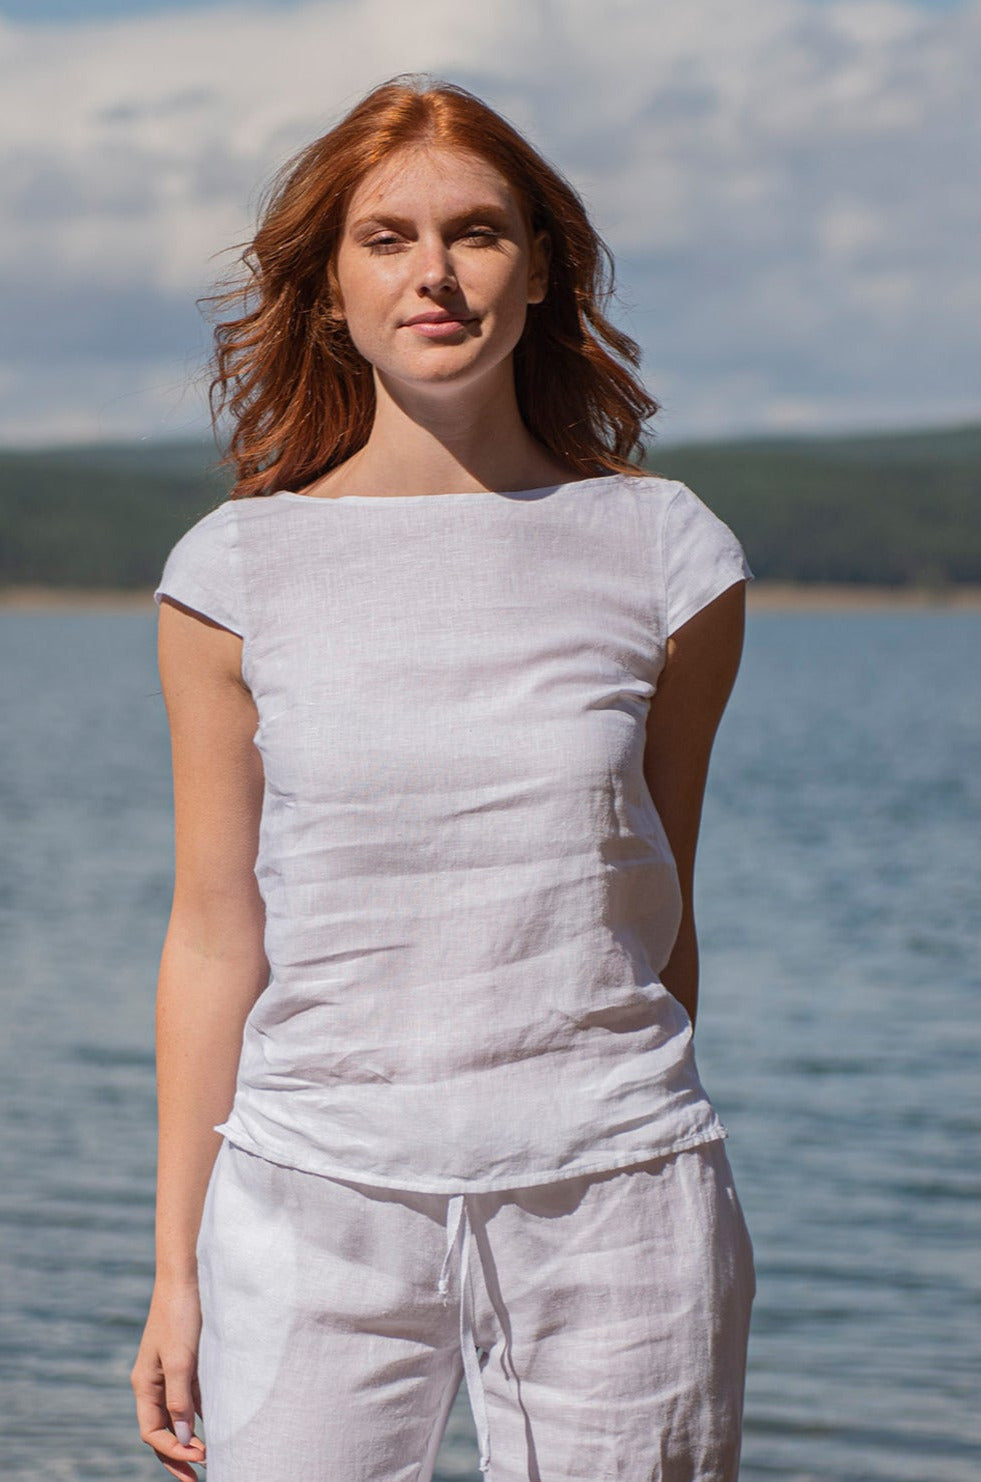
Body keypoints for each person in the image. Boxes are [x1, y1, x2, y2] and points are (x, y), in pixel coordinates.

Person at [131, 73, 757, 1482]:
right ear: (328, 287)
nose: (434, 275)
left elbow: (660, 909)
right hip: (308, 1196)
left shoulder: (667, 555)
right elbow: (214, 933)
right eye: (386, 238)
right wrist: (176, 1268)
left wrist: (615, 1118)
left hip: (617, 1194)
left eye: (475, 233)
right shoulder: (230, 574)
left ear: (540, 271)